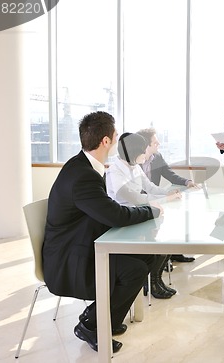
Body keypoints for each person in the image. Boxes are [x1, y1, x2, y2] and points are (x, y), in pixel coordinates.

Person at [42, 111, 161, 353]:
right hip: (69, 259)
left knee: (147, 256)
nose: (117, 139)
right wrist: (152, 211)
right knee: (134, 270)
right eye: (115, 135)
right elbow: (114, 214)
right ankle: (92, 324)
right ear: (105, 141)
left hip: (79, 244)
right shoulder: (83, 176)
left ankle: (101, 315)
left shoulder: (82, 166)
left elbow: (105, 211)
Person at [106, 132, 181, 299]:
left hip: (138, 215)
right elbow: (134, 197)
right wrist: (166, 198)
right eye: (144, 149)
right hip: (124, 221)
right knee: (158, 245)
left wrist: (167, 192)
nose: (147, 152)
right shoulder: (114, 172)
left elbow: (150, 187)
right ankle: (152, 283)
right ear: (134, 153)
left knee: (168, 242)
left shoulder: (134, 166)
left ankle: (155, 280)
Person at [136, 127, 197, 263]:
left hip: (155, 199)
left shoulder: (157, 157)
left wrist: (187, 182)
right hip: (138, 203)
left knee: (173, 218)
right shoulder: (133, 161)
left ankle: (171, 253)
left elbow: (169, 174)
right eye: (155, 142)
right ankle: (155, 259)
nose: (159, 144)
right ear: (146, 145)